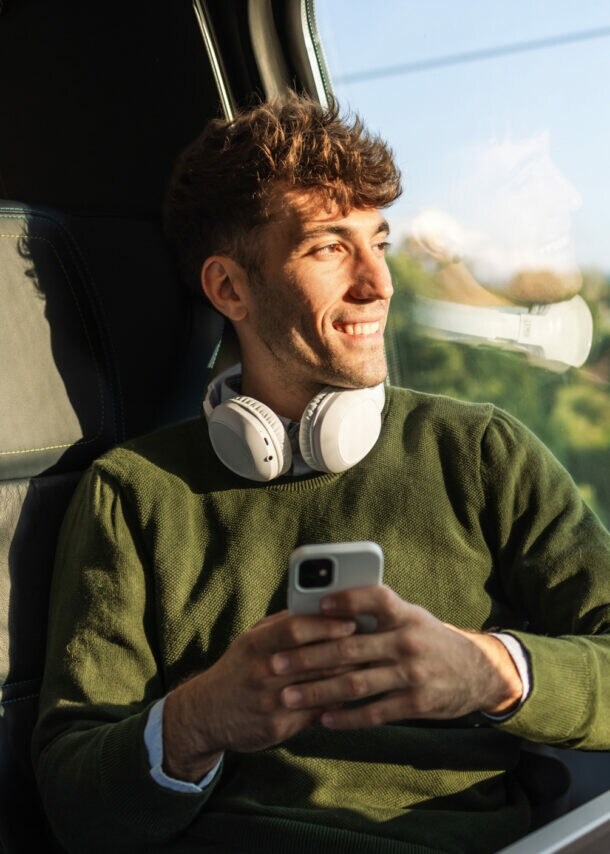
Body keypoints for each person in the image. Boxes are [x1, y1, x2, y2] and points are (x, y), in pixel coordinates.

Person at [32, 95, 610, 854]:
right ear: (229, 288)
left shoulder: (479, 452)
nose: (381, 282)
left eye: (379, 240)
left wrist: (486, 670)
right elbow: (74, 805)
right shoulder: (134, 493)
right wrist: (200, 718)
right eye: (329, 248)